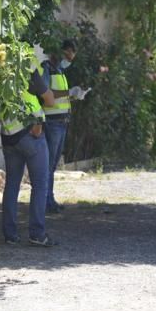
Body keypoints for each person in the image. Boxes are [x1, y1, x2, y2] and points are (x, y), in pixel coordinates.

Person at [0, 45, 59, 247]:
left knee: (12, 185)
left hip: (8, 135)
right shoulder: (27, 66)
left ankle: (10, 235)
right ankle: (37, 233)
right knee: (40, 184)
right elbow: (49, 100)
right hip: (31, 133)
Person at [41, 39, 89, 214]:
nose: (69, 59)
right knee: (48, 164)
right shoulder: (47, 68)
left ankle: (50, 200)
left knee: (52, 164)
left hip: (62, 122)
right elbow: (46, 93)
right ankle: (45, 202)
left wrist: (75, 96)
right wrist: (69, 92)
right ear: (59, 52)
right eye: (67, 55)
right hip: (52, 122)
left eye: (72, 57)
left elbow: (59, 97)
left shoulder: (60, 71)